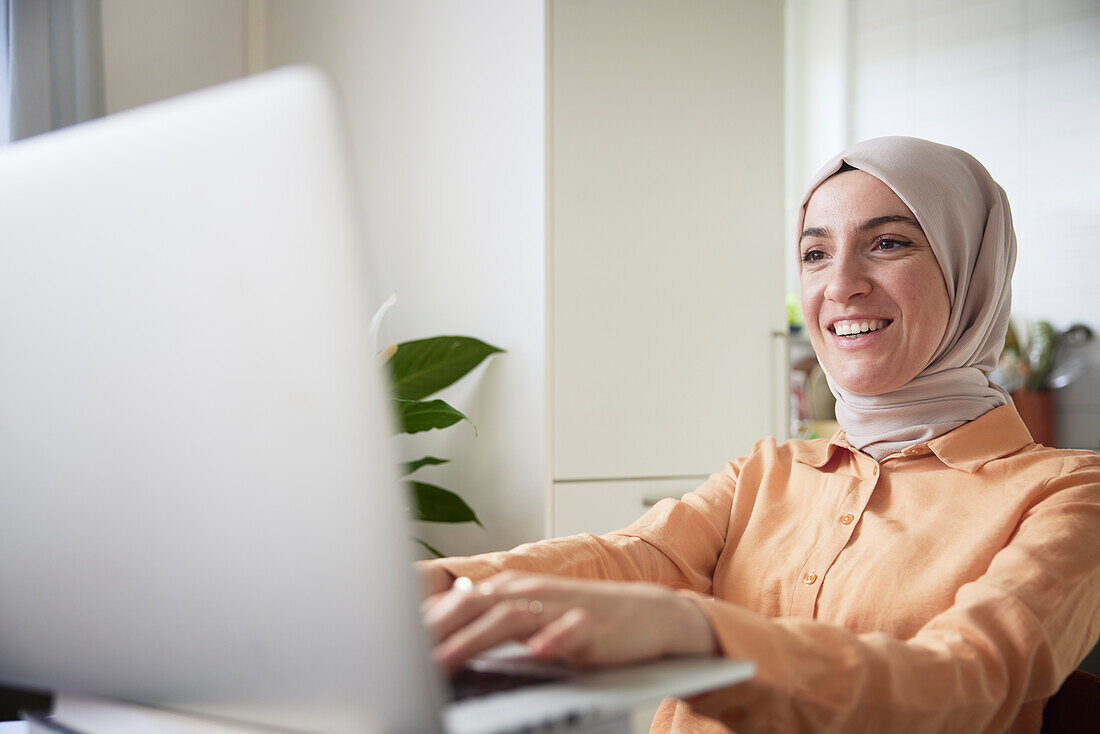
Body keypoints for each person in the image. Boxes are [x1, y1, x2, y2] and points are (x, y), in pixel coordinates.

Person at [417, 136, 1100, 733]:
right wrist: (441, 585)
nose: (842, 285)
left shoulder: (1068, 495)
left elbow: (967, 684)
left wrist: (697, 634)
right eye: (814, 252)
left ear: (970, 270)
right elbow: (631, 556)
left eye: (888, 243)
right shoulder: (768, 470)